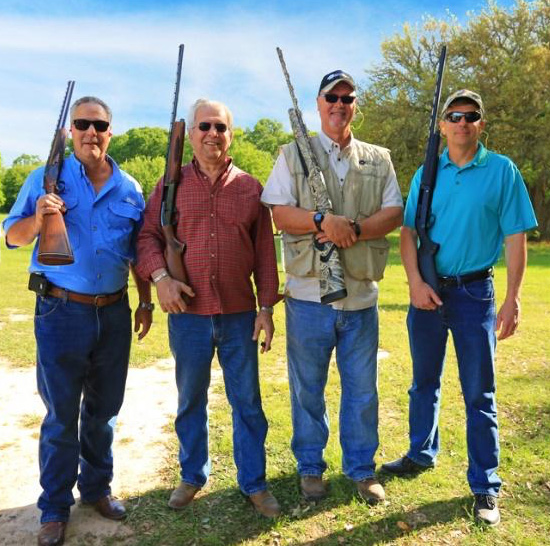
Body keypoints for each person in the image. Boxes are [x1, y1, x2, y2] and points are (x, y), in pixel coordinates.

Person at [382, 89, 538, 526]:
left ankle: (485, 487)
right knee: (423, 383)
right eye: (454, 115)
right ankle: (419, 453)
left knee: (479, 394)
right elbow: (409, 232)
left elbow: (514, 237)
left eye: (471, 116)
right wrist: (414, 282)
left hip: (475, 296)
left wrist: (512, 298)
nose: (462, 122)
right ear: (444, 125)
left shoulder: (502, 171)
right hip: (428, 293)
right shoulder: (426, 173)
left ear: (480, 124)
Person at [2, 96, 152, 546]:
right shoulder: (45, 179)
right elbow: (11, 235)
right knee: (61, 415)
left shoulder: (130, 188)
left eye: (99, 124)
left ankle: (96, 490)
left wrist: (144, 301)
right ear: (70, 131)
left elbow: (137, 254)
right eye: (82, 123)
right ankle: (53, 508)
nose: (91, 132)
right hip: (60, 310)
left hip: (115, 310)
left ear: (110, 131)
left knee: (103, 412)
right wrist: (39, 216)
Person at [261, 70, 403, 503]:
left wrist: (353, 229)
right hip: (307, 298)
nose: (339, 104)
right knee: (308, 390)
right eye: (331, 97)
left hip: (361, 298)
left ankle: (361, 470)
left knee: (362, 390)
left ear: (355, 104)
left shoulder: (379, 158)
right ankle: (310, 468)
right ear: (318, 104)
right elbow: (279, 214)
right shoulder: (291, 154)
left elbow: (394, 212)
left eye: (348, 97)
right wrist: (323, 221)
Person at [136, 99, 281, 518]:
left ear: (230, 134)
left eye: (220, 126)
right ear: (192, 133)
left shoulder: (251, 188)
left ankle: (254, 483)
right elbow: (146, 238)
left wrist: (266, 307)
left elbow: (265, 256)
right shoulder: (169, 185)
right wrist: (160, 279)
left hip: (239, 317)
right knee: (190, 401)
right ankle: (191, 475)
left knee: (248, 404)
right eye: (204, 126)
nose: (212, 133)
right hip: (188, 317)